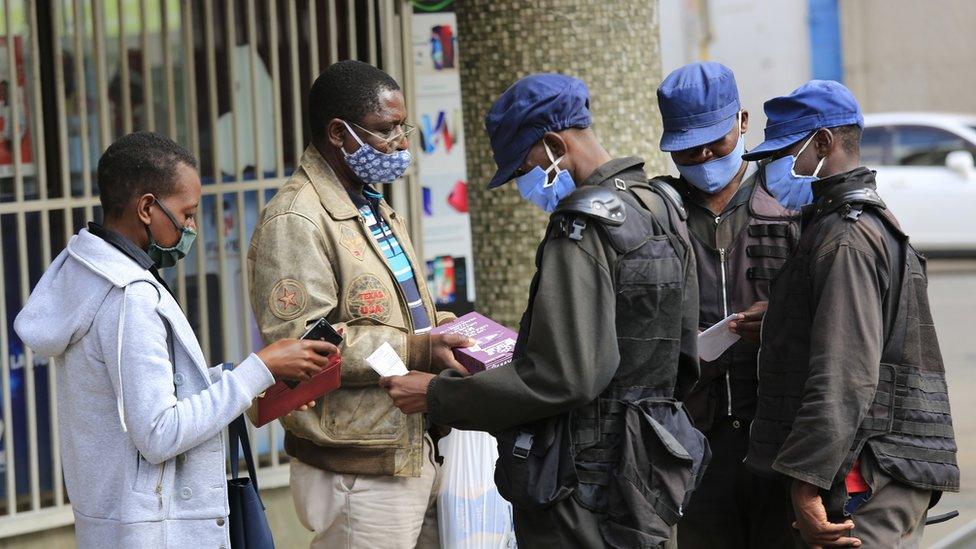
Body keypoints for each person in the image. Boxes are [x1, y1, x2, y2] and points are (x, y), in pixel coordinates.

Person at [381, 73, 708, 548]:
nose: (524, 184)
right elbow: (684, 355)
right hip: (652, 475)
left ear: (554, 145)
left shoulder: (582, 227)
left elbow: (563, 375)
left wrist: (437, 394)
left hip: (582, 487)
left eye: (523, 167)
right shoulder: (660, 207)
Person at [13, 132, 336, 548]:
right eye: (186, 213)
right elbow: (160, 433)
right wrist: (261, 369)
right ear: (147, 207)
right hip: (159, 532)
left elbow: (153, 397)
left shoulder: (87, 274)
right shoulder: (128, 297)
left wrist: (251, 381)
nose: (191, 227)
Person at [247, 60, 470, 549]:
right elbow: (305, 344)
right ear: (339, 134)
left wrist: (454, 334)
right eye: (387, 130)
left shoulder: (372, 204)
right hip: (358, 467)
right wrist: (419, 349)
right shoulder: (297, 219)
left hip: (413, 447)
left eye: (404, 126)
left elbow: (399, 314)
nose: (403, 143)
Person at [743, 81, 960, 547]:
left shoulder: (846, 237)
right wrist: (783, 320)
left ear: (822, 143)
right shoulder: (857, 222)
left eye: (783, 153)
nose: (772, 169)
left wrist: (807, 482)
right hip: (875, 468)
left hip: (863, 477)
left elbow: (845, 375)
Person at [652, 62, 798, 548]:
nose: (704, 156)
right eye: (688, 149)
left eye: (715, 142)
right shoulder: (657, 212)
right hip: (696, 438)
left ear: (742, 121)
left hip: (781, 435)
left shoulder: (789, 200)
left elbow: (841, 316)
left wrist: (777, 324)